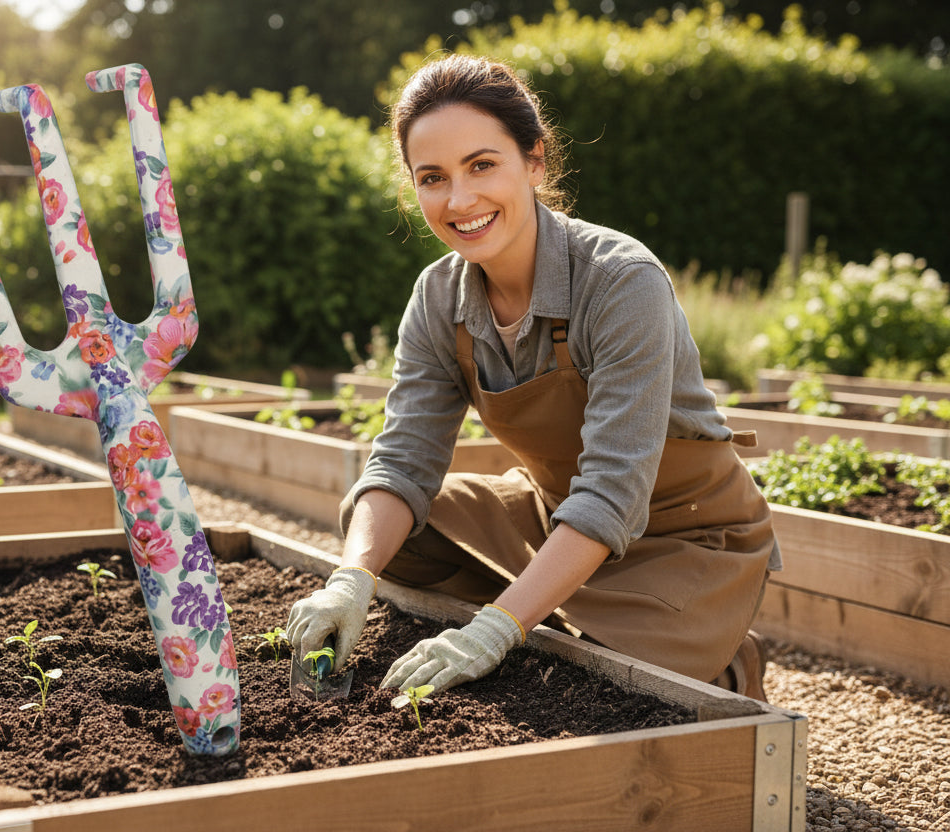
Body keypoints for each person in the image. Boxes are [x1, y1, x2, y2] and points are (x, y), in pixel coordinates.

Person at [285, 53, 780, 701]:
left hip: (682, 535)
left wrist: (496, 628)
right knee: (388, 537)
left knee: (598, 678)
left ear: (535, 161)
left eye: (482, 165)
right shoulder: (438, 297)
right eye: (433, 177)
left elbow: (611, 492)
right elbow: (402, 460)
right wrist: (349, 581)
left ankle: (726, 661)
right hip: (553, 513)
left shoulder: (621, 282)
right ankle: (552, 604)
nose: (460, 200)